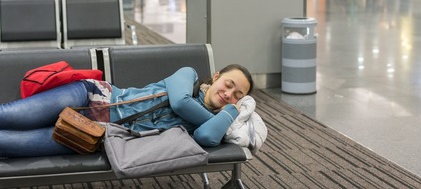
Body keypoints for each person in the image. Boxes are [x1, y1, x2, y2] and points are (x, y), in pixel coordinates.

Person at [0, 64, 254, 158]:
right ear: (218, 76)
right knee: (10, 116)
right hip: (93, 96)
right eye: (228, 84)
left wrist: (230, 113)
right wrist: (219, 117)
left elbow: (206, 138)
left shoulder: (216, 120)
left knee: (11, 143)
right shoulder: (189, 75)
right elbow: (180, 103)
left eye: (237, 96)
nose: (228, 94)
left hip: (98, 133)